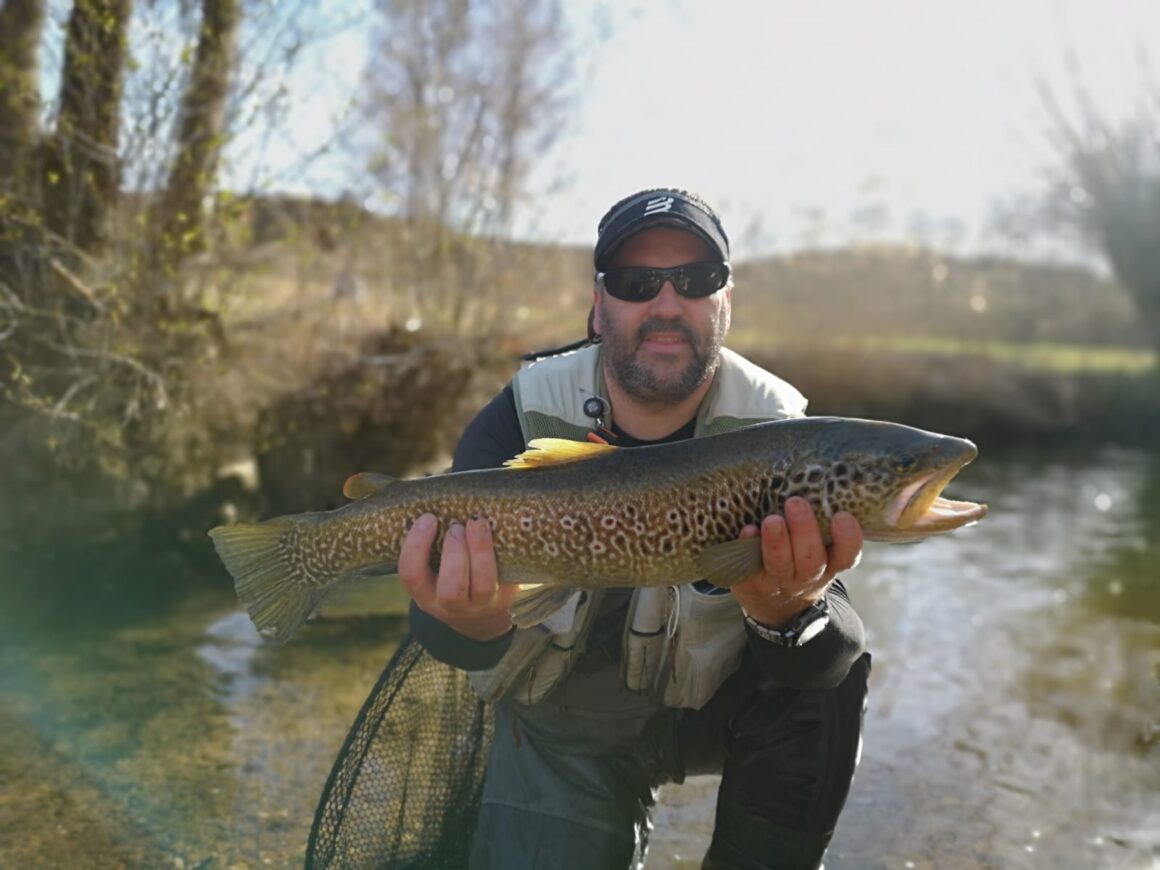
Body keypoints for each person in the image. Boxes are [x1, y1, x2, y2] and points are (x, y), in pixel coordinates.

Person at [398, 188, 871, 870]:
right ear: (598, 306)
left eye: (696, 280)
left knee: (836, 661)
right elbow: (440, 633)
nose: (667, 303)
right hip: (564, 728)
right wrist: (468, 623)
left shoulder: (778, 431)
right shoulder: (523, 414)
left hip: (711, 711)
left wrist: (783, 614)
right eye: (635, 283)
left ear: (725, 302)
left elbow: (828, 656)